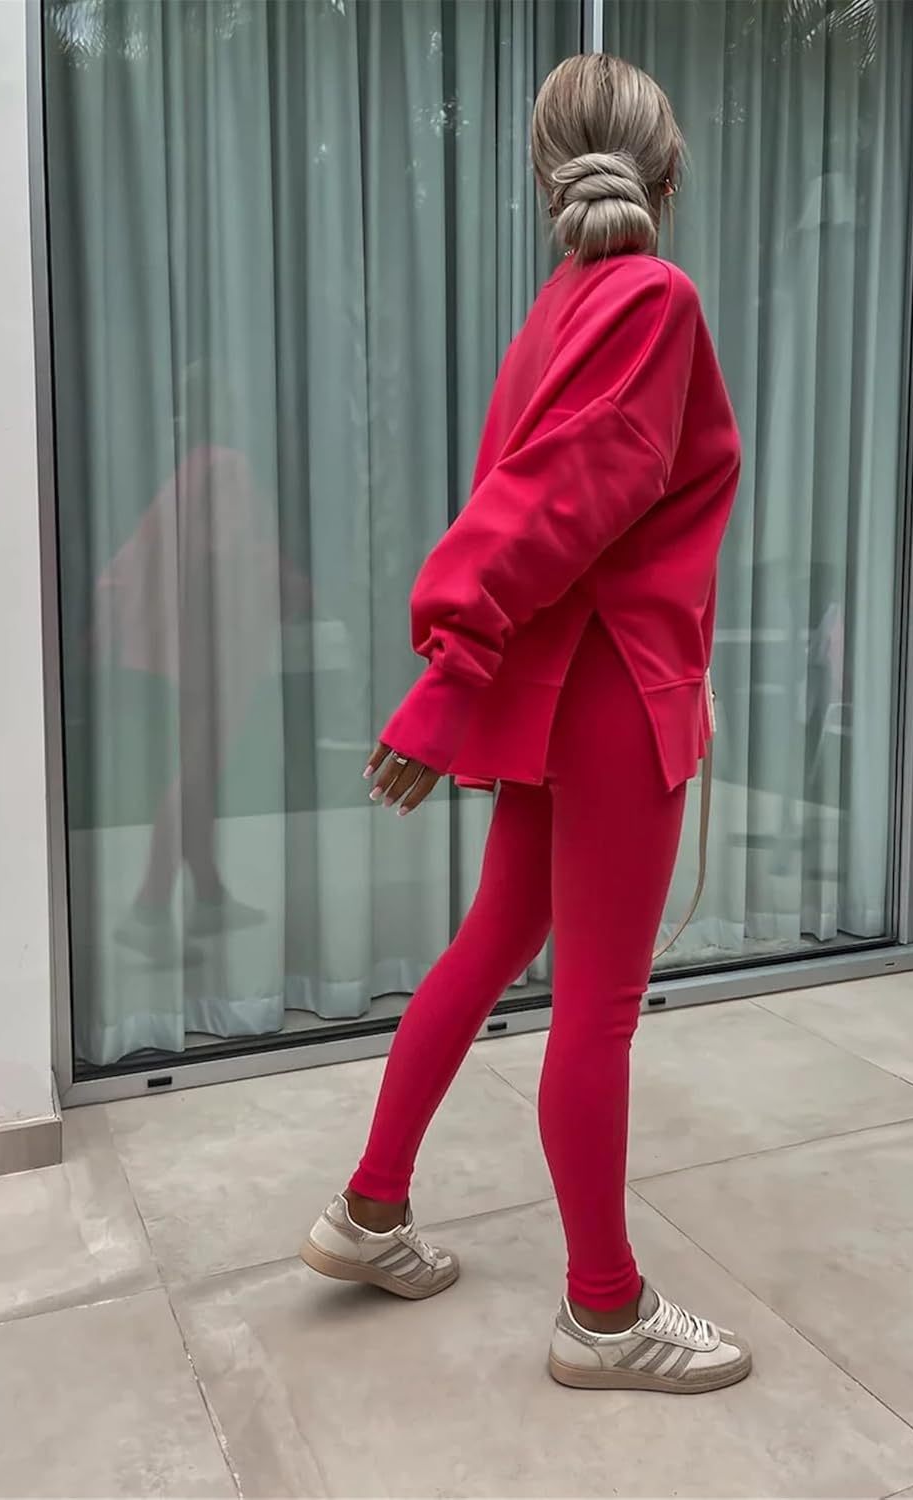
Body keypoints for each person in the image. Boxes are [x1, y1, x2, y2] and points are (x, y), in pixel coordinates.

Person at [302, 53, 748, 1395]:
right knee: (594, 1010)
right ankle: (605, 1316)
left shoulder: (556, 313)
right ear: (668, 171)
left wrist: (466, 668)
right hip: (609, 689)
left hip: (559, 689)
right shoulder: (653, 298)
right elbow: (563, 496)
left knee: (496, 940)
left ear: (546, 173)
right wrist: (449, 671)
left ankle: (370, 1210)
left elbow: (546, 497)